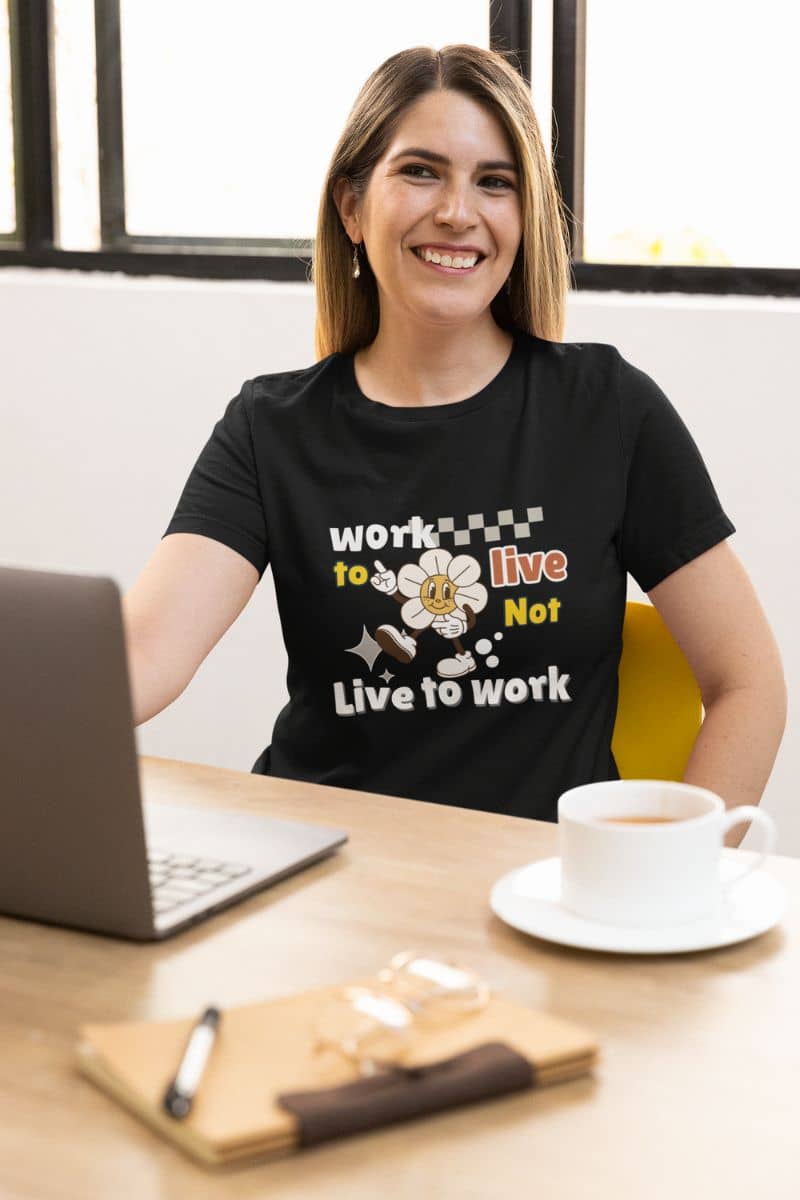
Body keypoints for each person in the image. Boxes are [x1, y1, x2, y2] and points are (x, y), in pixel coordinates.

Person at [122, 44, 786, 842]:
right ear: (351, 207)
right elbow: (140, 659)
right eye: (421, 172)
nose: (458, 212)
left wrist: (681, 876)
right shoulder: (271, 428)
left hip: (542, 891)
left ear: (523, 216)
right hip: (324, 880)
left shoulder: (607, 409)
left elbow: (749, 682)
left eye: (494, 182)